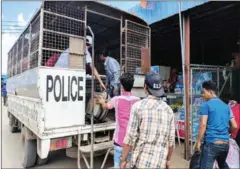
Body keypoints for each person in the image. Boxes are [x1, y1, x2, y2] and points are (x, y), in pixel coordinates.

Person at [120, 72, 175, 169]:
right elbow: (171, 142)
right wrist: (168, 160)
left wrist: (123, 160)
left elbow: (130, 138)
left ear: (145, 87)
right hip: (159, 163)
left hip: (141, 162)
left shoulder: (138, 107)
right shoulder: (168, 110)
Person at [97, 72, 140, 168]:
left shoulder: (116, 99)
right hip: (133, 142)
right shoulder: (138, 101)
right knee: (130, 165)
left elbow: (106, 106)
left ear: (121, 85)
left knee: (118, 165)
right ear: (132, 85)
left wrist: (101, 101)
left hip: (119, 141)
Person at [195, 80, 238, 169]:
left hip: (211, 144)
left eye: (204, 92)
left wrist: (198, 141)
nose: (202, 95)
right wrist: (227, 132)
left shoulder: (206, 105)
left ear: (210, 92)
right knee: (222, 165)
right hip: (225, 145)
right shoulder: (227, 107)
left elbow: (203, 125)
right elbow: (234, 126)